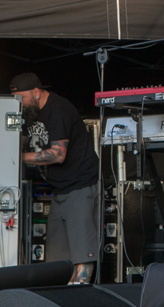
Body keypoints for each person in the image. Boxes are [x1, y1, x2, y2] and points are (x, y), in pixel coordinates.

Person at [12, 73, 100, 283]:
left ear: (36, 92)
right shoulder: (29, 113)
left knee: (82, 254)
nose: (19, 103)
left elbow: (58, 154)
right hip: (59, 191)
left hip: (80, 186)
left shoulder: (59, 109)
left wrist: (18, 157)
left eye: (21, 98)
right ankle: (61, 300)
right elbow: (17, 140)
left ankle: (80, 295)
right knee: (57, 260)